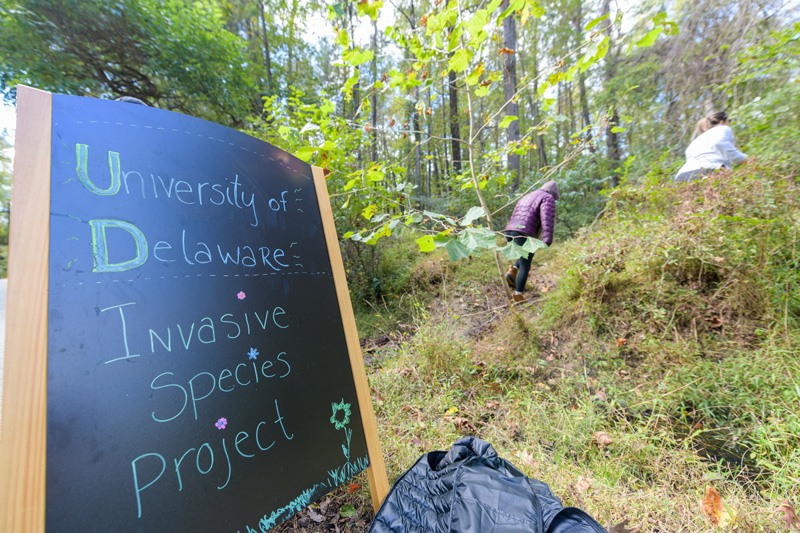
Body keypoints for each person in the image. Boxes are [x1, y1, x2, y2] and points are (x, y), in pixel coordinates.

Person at [503, 180, 559, 302]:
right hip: (524, 233)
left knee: (523, 255)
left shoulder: (529, 195)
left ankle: (511, 272)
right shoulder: (547, 198)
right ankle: (518, 296)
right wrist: (547, 239)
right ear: (553, 194)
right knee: (525, 265)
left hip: (510, 230)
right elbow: (547, 219)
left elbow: (515, 214)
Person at [675, 111, 746, 182]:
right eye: (729, 121)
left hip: (682, 176)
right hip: (708, 171)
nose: (729, 124)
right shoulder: (723, 128)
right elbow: (719, 143)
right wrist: (744, 160)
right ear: (722, 122)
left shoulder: (698, 139)